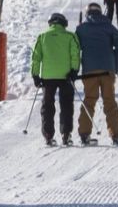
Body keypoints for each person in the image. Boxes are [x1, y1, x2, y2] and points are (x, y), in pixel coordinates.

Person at [76, 3, 118, 146]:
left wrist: (75, 68)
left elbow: (73, 48)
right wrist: (115, 66)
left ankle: (84, 135)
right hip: (107, 70)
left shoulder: (81, 29)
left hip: (89, 71)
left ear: (87, 14)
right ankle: (116, 136)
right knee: (109, 101)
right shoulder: (108, 26)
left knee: (89, 100)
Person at [31, 13, 81, 146]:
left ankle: (48, 135)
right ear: (64, 23)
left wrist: (36, 75)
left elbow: (36, 57)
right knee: (66, 105)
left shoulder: (42, 37)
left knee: (47, 105)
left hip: (48, 78)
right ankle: (66, 135)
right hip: (66, 77)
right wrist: (74, 71)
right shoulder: (70, 36)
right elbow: (75, 54)